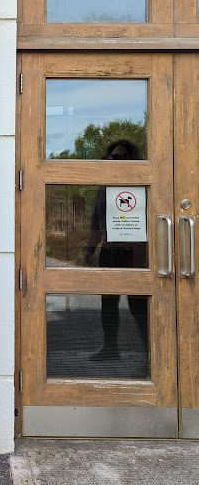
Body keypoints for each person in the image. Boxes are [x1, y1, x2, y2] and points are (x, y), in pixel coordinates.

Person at [85, 140, 148, 361]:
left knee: (138, 306)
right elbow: (96, 219)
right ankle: (110, 349)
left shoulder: (142, 184)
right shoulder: (104, 187)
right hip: (109, 251)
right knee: (109, 305)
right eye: (114, 157)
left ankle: (150, 356)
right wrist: (90, 248)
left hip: (137, 253)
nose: (118, 161)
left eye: (123, 157)